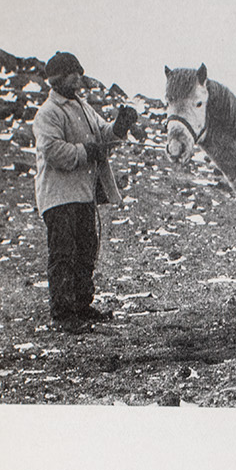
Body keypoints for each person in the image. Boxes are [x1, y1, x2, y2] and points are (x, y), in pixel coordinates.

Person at [32, 50, 141, 326]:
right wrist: (86, 151)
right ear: (57, 79)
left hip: (82, 195)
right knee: (63, 254)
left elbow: (103, 135)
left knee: (85, 250)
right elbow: (54, 151)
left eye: (78, 73)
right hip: (58, 197)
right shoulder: (48, 113)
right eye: (72, 74)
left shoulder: (83, 107)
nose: (78, 79)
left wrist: (120, 126)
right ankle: (63, 314)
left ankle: (81, 305)